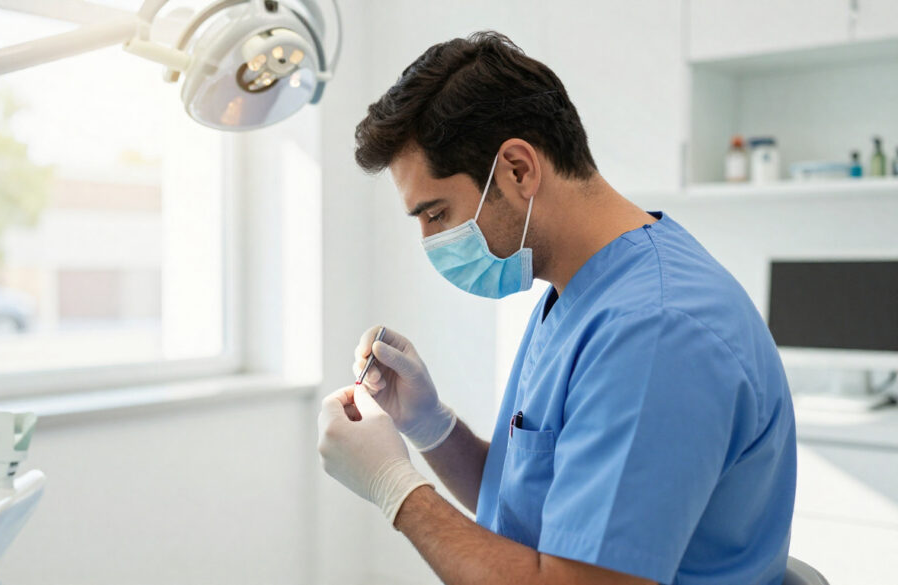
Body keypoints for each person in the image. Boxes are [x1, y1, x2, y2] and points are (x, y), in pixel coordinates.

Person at [317, 31, 796, 585]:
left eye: (437, 214)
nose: (430, 241)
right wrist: (430, 426)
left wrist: (395, 488)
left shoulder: (654, 332)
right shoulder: (579, 287)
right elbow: (532, 510)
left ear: (518, 170)